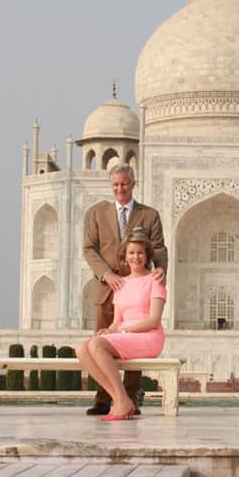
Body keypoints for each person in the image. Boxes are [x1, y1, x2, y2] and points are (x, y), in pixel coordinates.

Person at [82, 163, 167, 415]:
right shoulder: (98, 213)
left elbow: (159, 248)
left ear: (133, 184)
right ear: (112, 185)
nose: (120, 188)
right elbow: (89, 248)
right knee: (100, 341)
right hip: (107, 288)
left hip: (138, 287)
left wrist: (160, 269)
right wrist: (107, 274)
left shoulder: (148, 215)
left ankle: (130, 396)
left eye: (125, 184)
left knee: (132, 342)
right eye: (116, 184)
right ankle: (104, 397)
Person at [77, 232, 167, 421]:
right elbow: (117, 321)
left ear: (147, 256)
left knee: (96, 345)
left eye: (140, 253)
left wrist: (124, 331)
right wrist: (109, 331)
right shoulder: (121, 284)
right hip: (126, 335)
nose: (136, 257)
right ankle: (121, 398)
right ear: (125, 257)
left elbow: (153, 320)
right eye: (131, 253)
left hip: (148, 336)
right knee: (82, 349)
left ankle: (122, 401)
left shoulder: (155, 281)